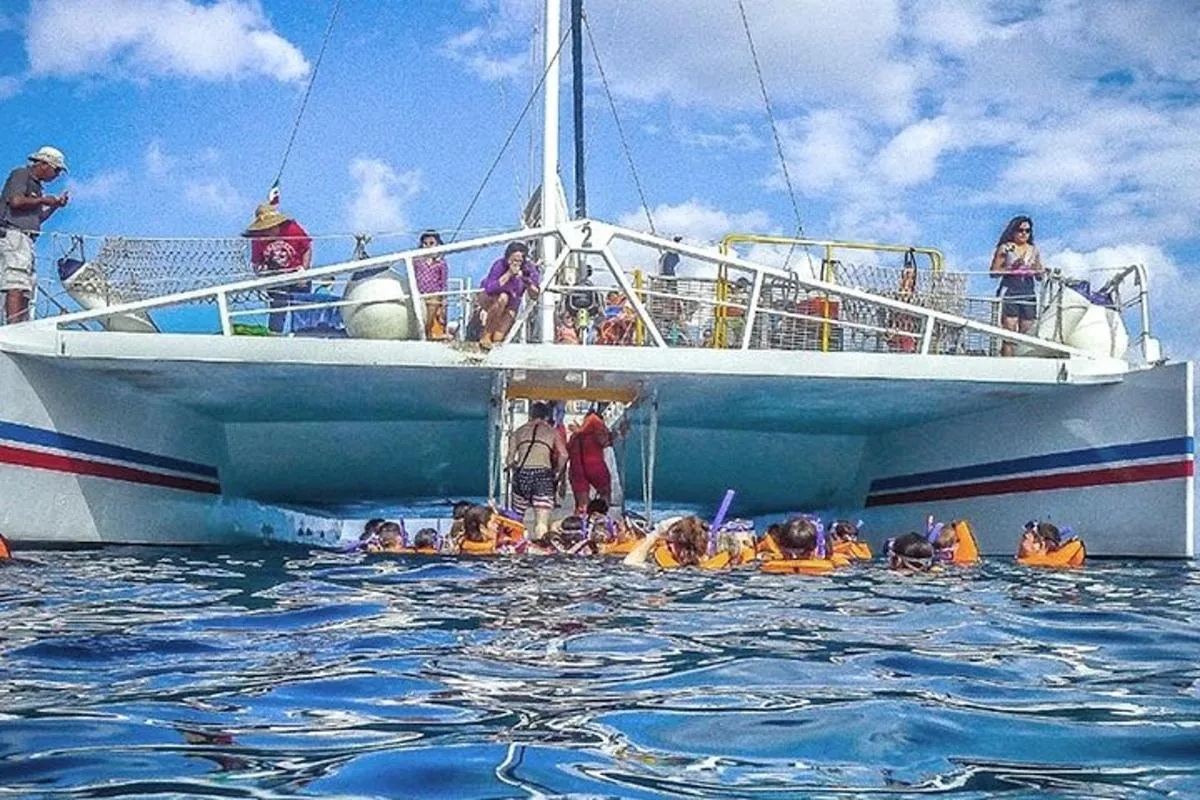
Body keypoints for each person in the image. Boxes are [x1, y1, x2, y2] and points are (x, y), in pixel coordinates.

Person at [1, 147, 70, 325]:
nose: (56, 175)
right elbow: (15, 201)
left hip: (27, 238)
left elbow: (38, 218)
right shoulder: (21, 174)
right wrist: (44, 200)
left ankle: (21, 326)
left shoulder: (38, 187)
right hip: (13, 234)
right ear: (44, 164)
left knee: (26, 284)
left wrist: (55, 205)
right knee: (16, 280)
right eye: (56, 170)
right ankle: (13, 328)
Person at [244, 203, 313, 334]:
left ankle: (303, 334)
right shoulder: (258, 238)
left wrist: (304, 271)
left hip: (297, 273)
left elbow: (307, 248)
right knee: (277, 307)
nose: (268, 231)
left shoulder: (292, 228)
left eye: (270, 227)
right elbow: (256, 263)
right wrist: (262, 273)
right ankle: (274, 336)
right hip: (275, 277)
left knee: (301, 306)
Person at [508, 401, 568, 539]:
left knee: (517, 519)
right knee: (541, 522)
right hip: (543, 475)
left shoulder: (519, 431)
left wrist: (515, 465)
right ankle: (541, 550)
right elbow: (564, 454)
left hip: (522, 474)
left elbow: (510, 459)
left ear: (530, 415)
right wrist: (557, 471)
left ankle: (516, 547)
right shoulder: (552, 431)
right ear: (547, 416)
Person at [990, 215, 1044, 357]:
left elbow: (1039, 276)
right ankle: (1007, 363)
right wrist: (1012, 268)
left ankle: (1023, 363)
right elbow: (994, 272)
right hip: (1010, 290)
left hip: (1028, 291)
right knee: (1009, 332)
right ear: (1013, 231)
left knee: (1027, 332)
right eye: (1020, 230)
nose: (1024, 234)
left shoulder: (1034, 250)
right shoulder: (1006, 248)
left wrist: (1037, 269)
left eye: (1027, 231)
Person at [478, 241, 540, 348]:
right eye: (514, 260)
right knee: (503, 297)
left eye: (520, 261)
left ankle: (493, 341)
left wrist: (527, 282)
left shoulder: (528, 269)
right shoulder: (500, 265)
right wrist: (509, 274)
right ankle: (486, 335)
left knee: (498, 338)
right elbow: (490, 288)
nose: (517, 263)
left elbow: (535, 295)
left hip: (512, 304)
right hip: (492, 298)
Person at [566, 405, 613, 514]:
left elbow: (566, 453)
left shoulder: (575, 436)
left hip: (577, 470)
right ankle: (601, 517)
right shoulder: (596, 425)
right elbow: (604, 441)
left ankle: (580, 525)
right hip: (595, 465)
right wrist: (616, 434)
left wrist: (562, 479)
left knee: (581, 505)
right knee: (605, 493)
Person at [414, 230, 450, 340]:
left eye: (431, 243)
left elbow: (443, 282)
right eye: (425, 244)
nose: (428, 247)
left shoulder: (441, 263)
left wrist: (444, 301)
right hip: (419, 293)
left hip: (434, 294)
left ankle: (428, 332)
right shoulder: (416, 261)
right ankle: (423, 334)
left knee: (431, 312)